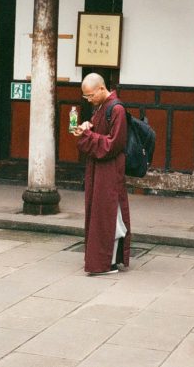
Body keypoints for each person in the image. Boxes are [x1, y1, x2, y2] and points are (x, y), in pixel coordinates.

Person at [72, 73, 131, 275]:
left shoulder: (117, 109)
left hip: (110, 168)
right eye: (86, 97)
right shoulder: (101, 107)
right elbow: (101, 135)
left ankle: (108, 262)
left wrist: (88, 135)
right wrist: (88, 127)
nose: (88, 100)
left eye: (90, 96)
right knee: (101, 213)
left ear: (101, 89)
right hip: (99, 168)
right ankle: (105, 260)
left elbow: (113, 144)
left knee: (109, 215)